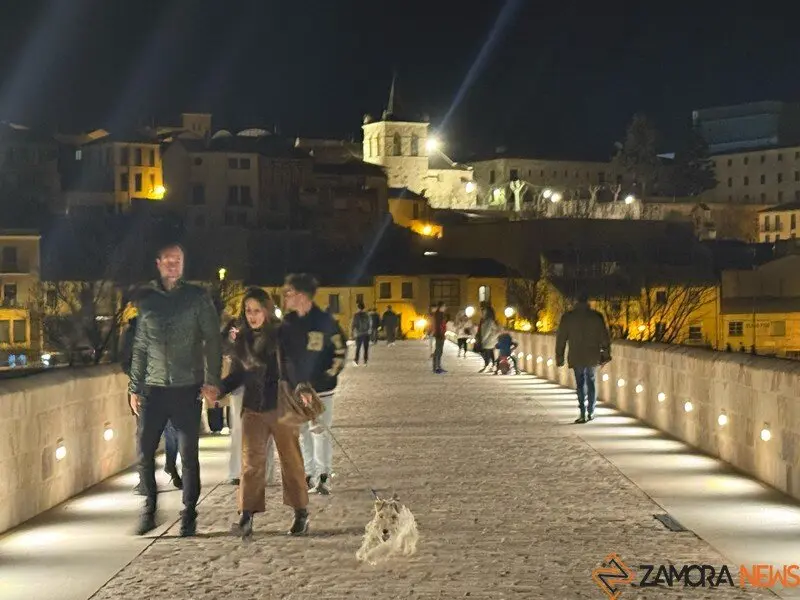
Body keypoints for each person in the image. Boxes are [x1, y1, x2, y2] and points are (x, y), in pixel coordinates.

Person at [129, 243, 222, 537]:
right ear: (158, 263)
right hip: (154, 389)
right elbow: (140, 347)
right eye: (168, 260)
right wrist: (134, 387)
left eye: (178, 260)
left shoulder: (196, 298)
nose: (173, 265)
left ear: (183, 264)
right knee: (144, 453)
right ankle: (149, 510)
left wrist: (212, 379)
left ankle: (189, 513)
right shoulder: (149, 303)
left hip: (186, 387)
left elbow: (213, 340)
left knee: (188, 455)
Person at [210, 288, 309, 537]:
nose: (252, 316)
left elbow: (291, 365)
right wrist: (219, 390)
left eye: (256, 310)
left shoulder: (280, 334)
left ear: (266, 310)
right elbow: (237, 375)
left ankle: (301, 512)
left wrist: (302, 386)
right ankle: (246, 516)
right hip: (253, 406)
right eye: (248, 311)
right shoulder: (241, 340)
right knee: (251, 464)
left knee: (291, 461)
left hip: (281, 405)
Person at [281, 274, 347, 495]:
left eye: (288, 292)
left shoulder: (326, 322)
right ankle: (308, 474)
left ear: (301, 295)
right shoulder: (288, 324)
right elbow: (284, 357)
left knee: (320, 431)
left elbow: (339, 353)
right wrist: (295, 383)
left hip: (322, 389)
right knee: (302, 433)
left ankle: (323, 475)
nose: (285, 297)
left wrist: (320, 382)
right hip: (296, 389)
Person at [121, 314, 181, 495]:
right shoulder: (133, 331)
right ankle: (145, 480)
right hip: (144, 390)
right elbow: (126, 362)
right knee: (145, 437)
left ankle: (170, 466)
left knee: (173, 433)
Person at [555, 291, 612, 424]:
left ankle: (582, 412)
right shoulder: (596, 317)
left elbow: (561, 338)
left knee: (580, 383)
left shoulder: (568, 317)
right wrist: (606, 353)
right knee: (591, 381)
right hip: (592, 355)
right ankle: (591, 411)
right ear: (588, 302)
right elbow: (604, 337)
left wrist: (559, 356)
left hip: (576, 355)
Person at [477, 304, 501, 373]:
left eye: (483, 312)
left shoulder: (489, 321)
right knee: (489, 353)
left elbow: (487, 332)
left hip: (489, 340)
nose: (482, 313)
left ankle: (488, 366)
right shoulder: (484, 321)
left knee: (487, 352)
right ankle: (492, 366)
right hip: (488, 340)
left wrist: (483, 339)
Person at [351, 302, 372, 366]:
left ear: (358, 307)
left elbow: (354, 324)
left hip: (359, 334)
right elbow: (370, 323)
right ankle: (365, 362)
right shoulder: (367, 315)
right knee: (366, 348)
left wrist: (352, 332)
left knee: (358, 348)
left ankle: (356, 361)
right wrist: (368, 330)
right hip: (366, 333)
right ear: (364, 307)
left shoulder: (356, 315)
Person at [430, 301, 448, 374]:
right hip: (439, 335)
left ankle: (438, 366)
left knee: (440, 351)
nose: (445, 308)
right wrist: (440, 334)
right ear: (441, 307)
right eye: (444, 306)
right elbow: (438, 326)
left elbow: (443, 325)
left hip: (441, 335)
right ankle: (436, 368)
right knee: (438, 351)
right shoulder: (438, 315)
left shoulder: (441, 314)